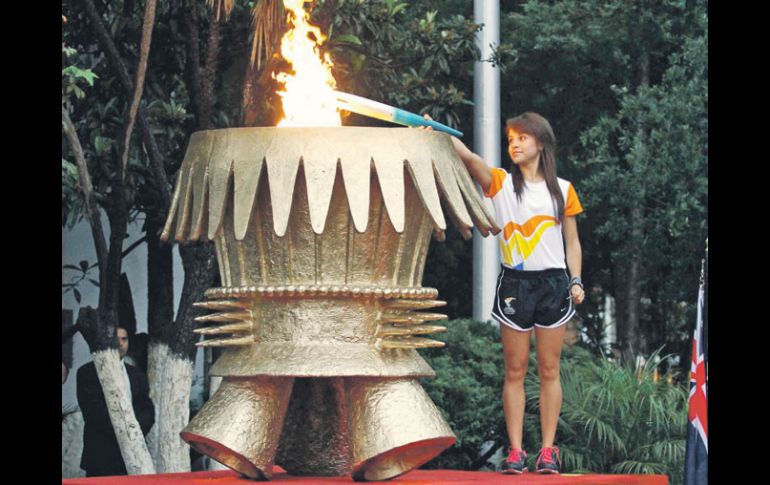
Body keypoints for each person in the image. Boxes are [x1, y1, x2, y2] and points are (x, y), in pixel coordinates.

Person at [432, 112, 585, 474]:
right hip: (515, 284)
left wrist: (576, 280)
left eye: (522, 138)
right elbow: (468, 157)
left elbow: (573, 243)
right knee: (514, 370)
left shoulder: (563, 190)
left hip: (554, 285)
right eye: (511, 138)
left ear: (541, 143)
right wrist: (435, 130)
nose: (514, 144)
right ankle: (516, 452)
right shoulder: (500, 183)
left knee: (550, 369)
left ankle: (548, 450)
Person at [77, 326, 155, 477]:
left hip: (134, 455)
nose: (120, 343)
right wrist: (123, 433)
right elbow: (93, 413)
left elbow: (147, 409)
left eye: (124, 339)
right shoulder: (87, 373)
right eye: (115, 339)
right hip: (102, 454)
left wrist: (134, 432)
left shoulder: (136, 374)